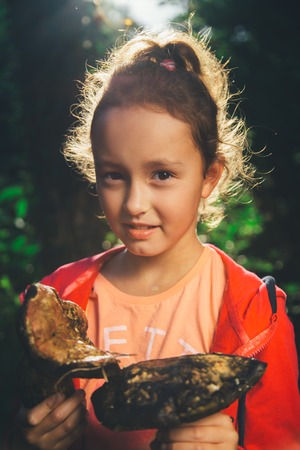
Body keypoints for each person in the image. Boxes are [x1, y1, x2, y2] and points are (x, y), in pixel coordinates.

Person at [6, 27, 300, 450]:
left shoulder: (257, 311)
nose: (134, 203)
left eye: (161, 174)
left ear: (209, 177)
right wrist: (26, 440)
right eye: (114, 175)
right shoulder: (57, 298)